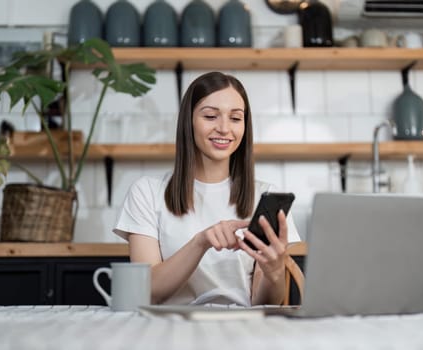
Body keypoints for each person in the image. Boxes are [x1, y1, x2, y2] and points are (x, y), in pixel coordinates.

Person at [113, 71, 300, 306]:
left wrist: (273, 273)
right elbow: (147, 292)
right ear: (188, 121)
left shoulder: (264, 197)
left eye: (235, 118)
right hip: (171, 331)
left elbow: (265, 304)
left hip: (240, 331)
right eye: (211, 116)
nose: (224, 128)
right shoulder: (147, 192)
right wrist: (200, 242)